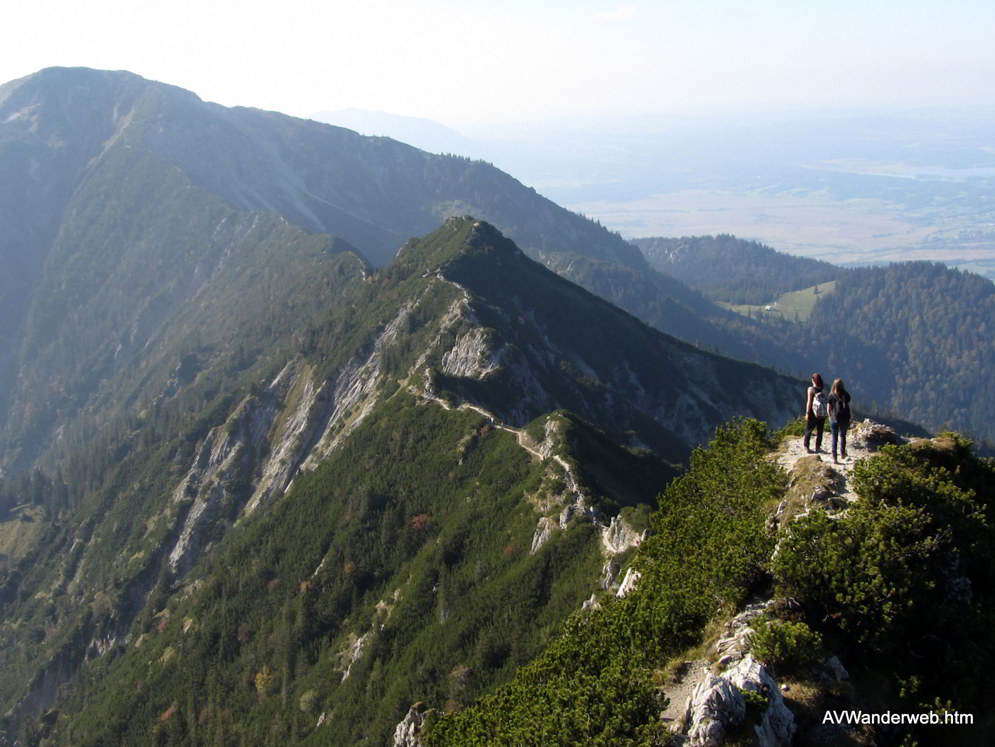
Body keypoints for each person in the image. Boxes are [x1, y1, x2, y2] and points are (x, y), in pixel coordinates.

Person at [827, 378, 852, 464]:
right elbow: (848, 406)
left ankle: (834, 457)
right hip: (844, 419)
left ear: (834, 385)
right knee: (843, 436)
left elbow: (829, 409)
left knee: (834, 437)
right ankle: (842, 453)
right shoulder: (846, 395)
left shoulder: (831, 395)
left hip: (834, 419)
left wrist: (830, 417)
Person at [803, 373, 826, 453]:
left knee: (808, 429)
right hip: (822, 414)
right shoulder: (823, 390)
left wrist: (807, 413)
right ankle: (818, 447)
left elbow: (809, 402)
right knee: (820, 431)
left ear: (813, 380)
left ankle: (807, 446)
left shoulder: (811, 389)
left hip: (813, 413)